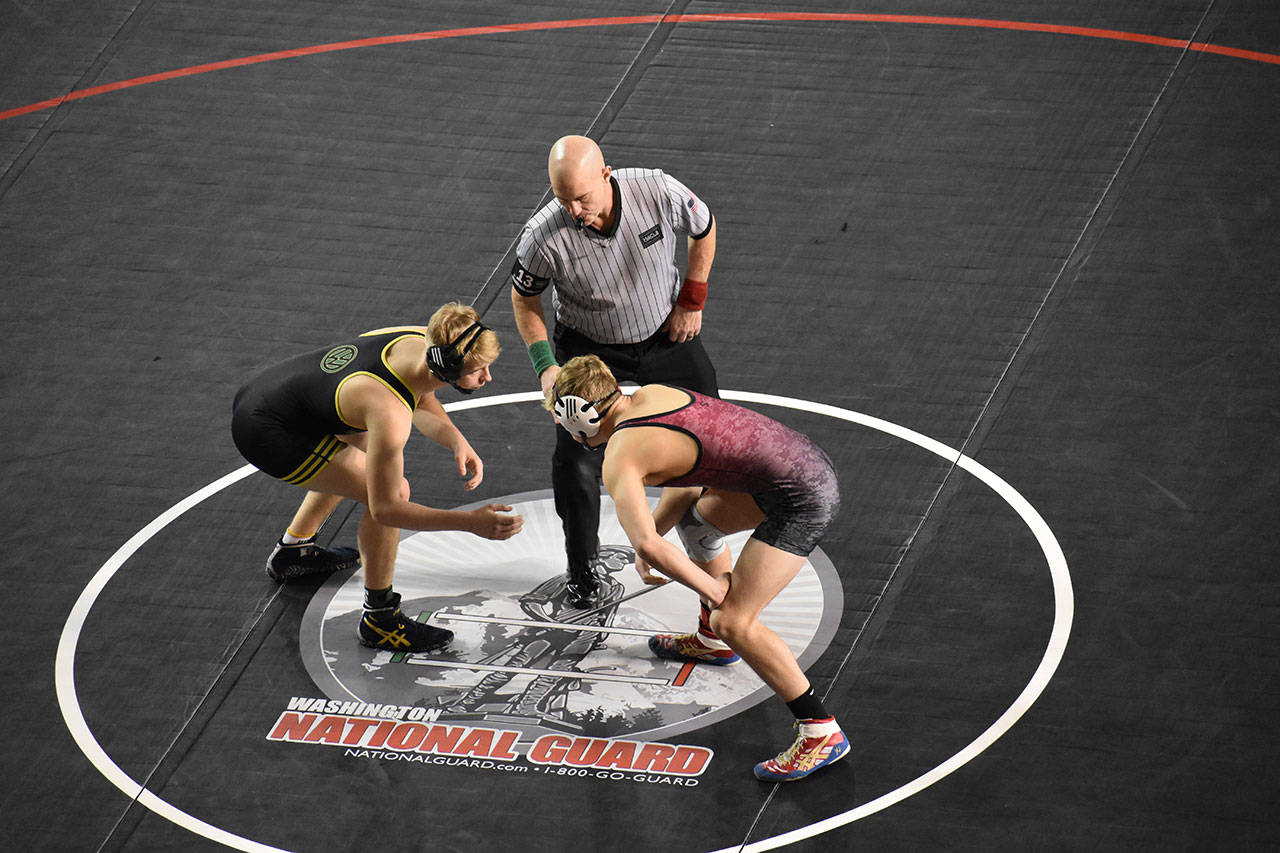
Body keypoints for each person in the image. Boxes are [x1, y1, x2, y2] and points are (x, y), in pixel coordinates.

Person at [545, 355, 848, 782]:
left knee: (735, 620)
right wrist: (653, 545)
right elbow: (688, 480)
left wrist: (712, 589)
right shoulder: (654, 395)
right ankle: (711, 642)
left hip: (802, 496)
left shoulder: (620, 456)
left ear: (577, 419)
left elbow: (647, 540)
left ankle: (819, 731)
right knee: (698, 522)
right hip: (797, 463)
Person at [231, 303, 524, 653]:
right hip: (268, 430)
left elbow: (422, 390)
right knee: (390, 489)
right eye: (479, 369)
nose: (487, 377)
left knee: (362, 457)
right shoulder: (388, 411)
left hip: (274, 390)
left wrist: (454, 437)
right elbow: (387, 510)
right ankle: (379, 618)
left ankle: (294, 551)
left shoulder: (420, 339)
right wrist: (469, 522)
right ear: (448, 365)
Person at [510, 134, 719, 609]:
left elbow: (704, 227)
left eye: (582, 197)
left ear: (608, 174)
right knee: (576, 458)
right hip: (588, 352)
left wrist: (692, 299)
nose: (575, 210)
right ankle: (582, 570)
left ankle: (702, 546)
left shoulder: (657, 190)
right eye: (563, 200)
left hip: (665, 334)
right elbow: (525, 300)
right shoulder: (543, 236)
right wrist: (546, 366)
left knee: (710, 434)